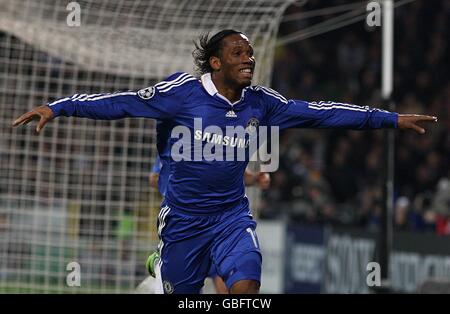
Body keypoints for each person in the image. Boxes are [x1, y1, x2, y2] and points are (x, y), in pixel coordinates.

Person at [12, 29, 437, 294]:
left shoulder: (260, 102)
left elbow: (321, 112)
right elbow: (121, 104)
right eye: (238, 53)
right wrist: (59, 106)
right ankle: (163, 264)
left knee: (246, 283)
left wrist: (390, 119)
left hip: (232, 217)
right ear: (216, 63)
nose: (248, 59)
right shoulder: (179, 94)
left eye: (250, 53)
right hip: (183, 220)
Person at [146, 155, 270, 294]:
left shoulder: (231, 139)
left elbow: (230, 173)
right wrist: (188, 184)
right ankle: (164, 262)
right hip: (187, 224)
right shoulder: (178, 137)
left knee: (239, 283)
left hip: (227, 221)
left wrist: (254, 178)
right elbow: (155, 177)